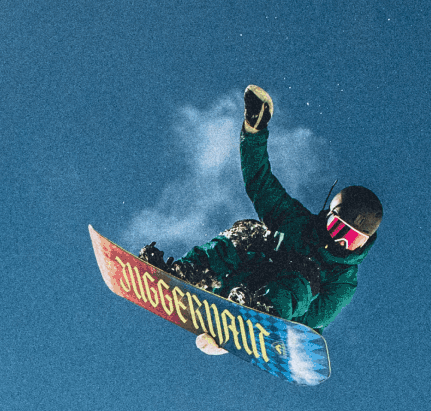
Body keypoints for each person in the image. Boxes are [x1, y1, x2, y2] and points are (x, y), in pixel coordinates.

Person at [141, 85, 381, 355]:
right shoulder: (296, 222)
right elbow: (260, 181)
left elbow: (316, 319)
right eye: (338, 228)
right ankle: (191, 273)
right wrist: (253, 131)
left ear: (364, 243)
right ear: (328, 217)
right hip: (235, 285)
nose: (340, 242)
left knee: (306, 273)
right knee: (250, 231)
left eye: (352, 239)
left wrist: (280, 325)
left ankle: (260, 314)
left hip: (279, 318)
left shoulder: (343, 279)